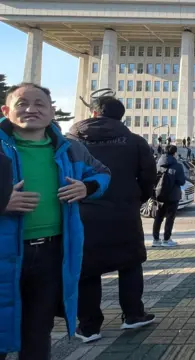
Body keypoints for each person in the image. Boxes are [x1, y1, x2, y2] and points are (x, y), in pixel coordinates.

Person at [0, 83, 110, 359]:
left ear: (52, 112)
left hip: (51, 252)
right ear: (5, 110)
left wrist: (88, 188)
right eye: (22, 103)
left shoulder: (70, 149)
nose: (31, 109)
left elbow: (102, 173)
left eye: (39, 104)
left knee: (38, 330)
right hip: (4, 253)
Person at [66, 96, 157, 343]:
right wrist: (138, 198)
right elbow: (149, 176)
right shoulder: (134, 141)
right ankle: (133, 315)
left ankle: (89, 326)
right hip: (123, 212)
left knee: (87, 270)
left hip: (82, 212)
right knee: (129, 264)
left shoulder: (70, 141)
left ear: (93, 114)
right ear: (121, 117)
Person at [152, 144, 186, 247]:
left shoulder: (158, 164)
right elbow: (182, 181)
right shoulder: (177, 166)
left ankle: (156, 239)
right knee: (170, 217)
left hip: (159, 194)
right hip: (173, 195)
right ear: (174, 153)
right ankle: (166, 239)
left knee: (158, 217)